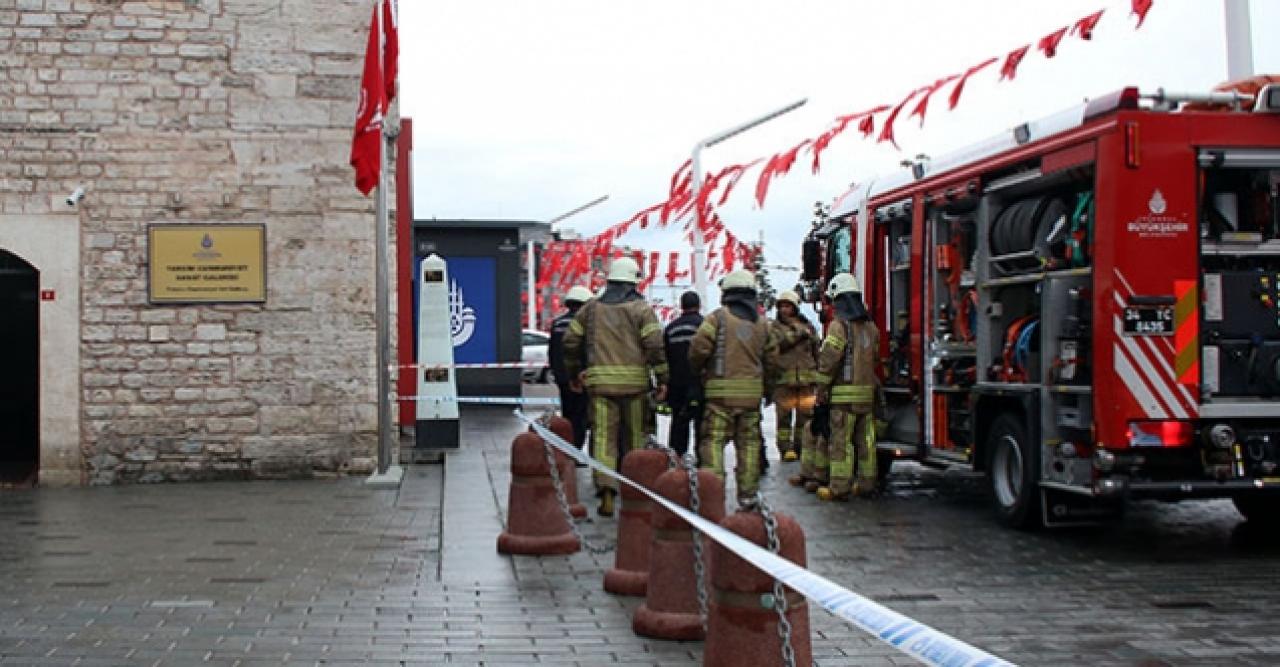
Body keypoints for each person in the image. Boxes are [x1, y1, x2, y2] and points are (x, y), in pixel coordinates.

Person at [563, 257, 668, 517]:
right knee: (635, 437)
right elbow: (654, 344)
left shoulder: (591, 309)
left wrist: (575, 372)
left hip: (599, 386)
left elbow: (570, 340)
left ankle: (606, 489)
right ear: (633, 281)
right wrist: (663, 378)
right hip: (635, 387)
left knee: (602, 438)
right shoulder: (642, 309)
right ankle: (634, 487)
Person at [689, 269, 779, 509]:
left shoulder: (716, 319)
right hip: (751, 397)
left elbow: (698, 349)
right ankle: (748, 496)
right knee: (749, 445)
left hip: (719, 397)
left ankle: (712, 496)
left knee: (713, 443)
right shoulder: (764, 325)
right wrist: (768, 390)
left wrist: (700, 373)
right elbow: (772, 361)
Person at [813, 272, 880, 501]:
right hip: (866, 398)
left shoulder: (839, 326)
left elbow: (829, 360)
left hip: (843, 400)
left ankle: (839, 488)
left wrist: (821, 389)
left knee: (841, 444)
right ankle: (866, 484)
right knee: (866, 444)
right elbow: (876, 358)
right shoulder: (870, 328)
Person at [770, 290, 819, 465]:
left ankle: (801, 446)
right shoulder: (774, 327)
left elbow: (816, 349)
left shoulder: (808, 326)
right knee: (784, 417)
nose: (784, 310)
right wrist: (799, 333)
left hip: (806, 381)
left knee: (805, 417)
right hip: (784, 381)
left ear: (795, 308)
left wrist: (819, 373)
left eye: (788, 306)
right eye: (782, 306)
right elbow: (778, 344)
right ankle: (785, 448)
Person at [549, 285, 594, 454]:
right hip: (580, 377)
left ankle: (566, 449)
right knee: (581, 416)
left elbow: (552, 352)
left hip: (562, 378)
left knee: (567, 413)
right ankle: (575, 451)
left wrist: (558, 373)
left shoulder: (557, 323)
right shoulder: (585, 324)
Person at [663, 291, 703, 462]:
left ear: (681, 306)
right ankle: (704, 460)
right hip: (700, 383)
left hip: (677, 383)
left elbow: (664, 357)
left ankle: (676, 458)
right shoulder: (705, 326)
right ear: (698, 305)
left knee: (679, 423)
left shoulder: (671, 328)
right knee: (702, 424)